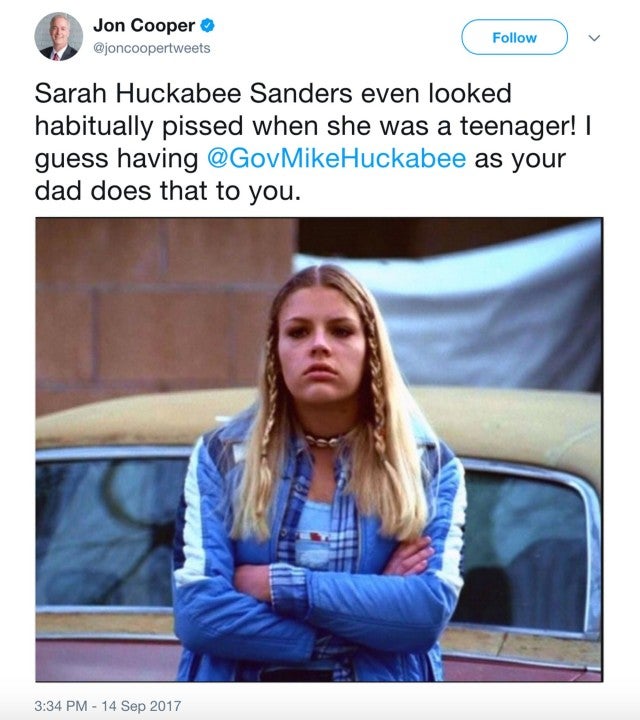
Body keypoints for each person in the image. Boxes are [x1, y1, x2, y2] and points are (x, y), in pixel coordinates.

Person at [172, 264, 466, 681]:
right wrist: (370, 617)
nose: (320, 346)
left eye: (341, 331)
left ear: (372, 348)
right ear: (275, 351)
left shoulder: (426, 463)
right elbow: (200, 616)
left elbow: (423, 615)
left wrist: (277, 585)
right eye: (298, 332)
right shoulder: (223, 455)